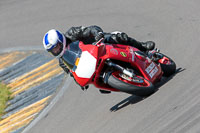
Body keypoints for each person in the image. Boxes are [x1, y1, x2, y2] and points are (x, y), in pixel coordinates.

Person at [43, 25, 155, 90]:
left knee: (118, 38)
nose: (56, 50)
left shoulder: (72, 33)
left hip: (98, 46)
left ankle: (143, 47)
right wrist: (80, 83)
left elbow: (90, 29)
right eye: (53, 50)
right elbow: (72, 73)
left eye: (57, 46)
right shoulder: (62, 61)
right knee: (98, 83)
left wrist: (97, 34)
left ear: (60, 39)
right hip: (91, 64)